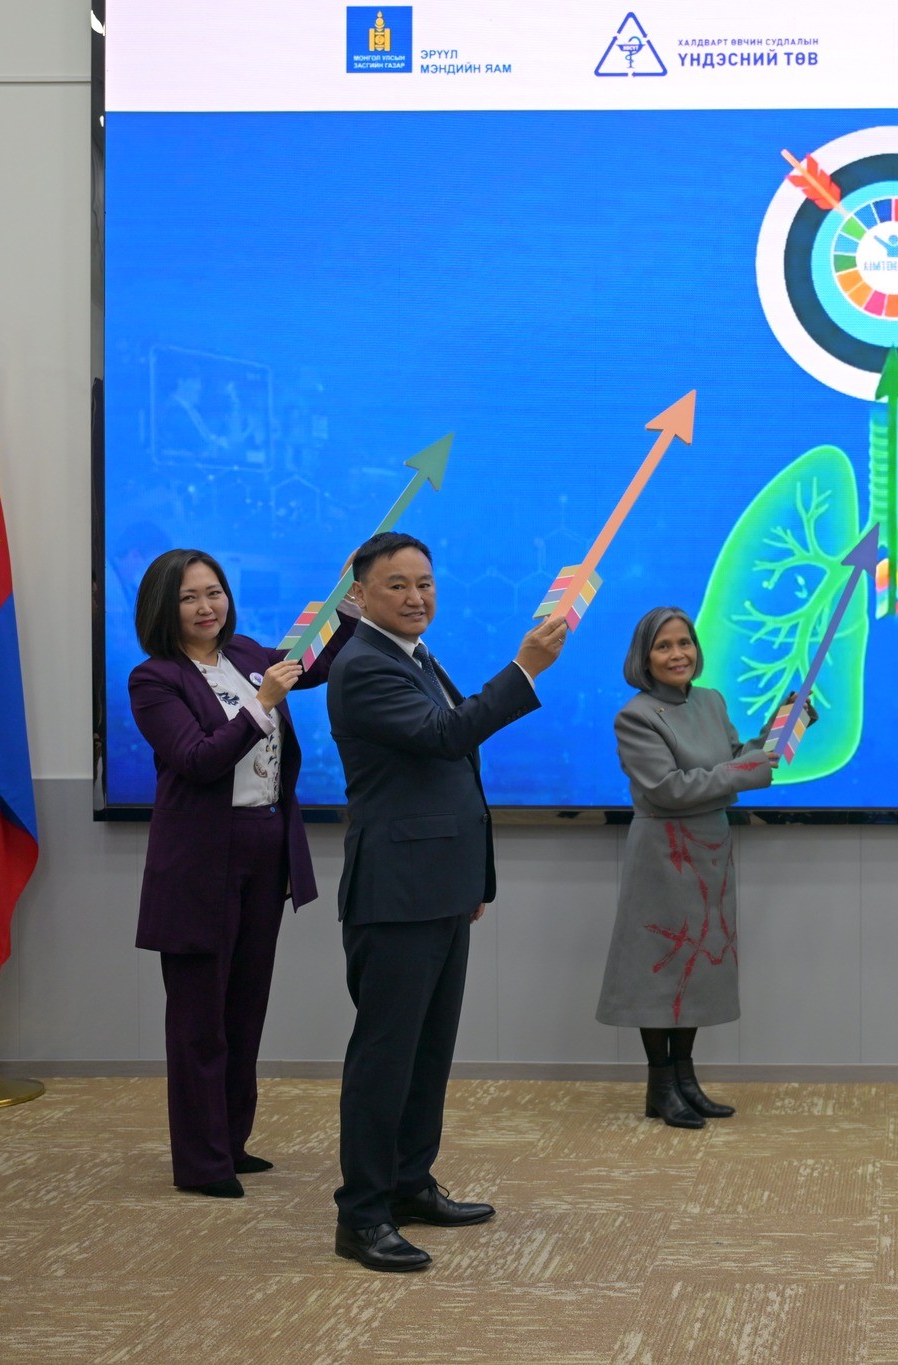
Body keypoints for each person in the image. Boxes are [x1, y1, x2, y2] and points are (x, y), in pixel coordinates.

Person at [327, 531, 568, 1272]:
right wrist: (524, 670)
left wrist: (468, 879)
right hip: (396, 891)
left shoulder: (415, 655)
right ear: (359, 595)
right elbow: (445, 735)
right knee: (386, 1056)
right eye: (397, 584)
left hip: (438, 885)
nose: (416, 596)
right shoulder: (363, 664)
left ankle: (408, 1183)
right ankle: (362, 1215)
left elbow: (451, 768)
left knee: (428, 1050)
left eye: (425, 582)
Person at [127, 548, 357, 1198]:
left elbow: (313, 661)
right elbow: (197, 759)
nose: (208, 606)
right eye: (190, 597)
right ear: (164, 608)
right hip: (199, 861)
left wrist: (348, 599)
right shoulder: (154, 679)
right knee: (198, 1020)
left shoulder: (249, 653)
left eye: (215, 592)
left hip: (265, 849)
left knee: (244, 1007)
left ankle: (230, 1141)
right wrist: (260, 705)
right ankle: (201, 1162)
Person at [594, 607, 804, 1126]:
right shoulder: (636, 716)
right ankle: (660, 1086)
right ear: (644, 657)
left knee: (697, 966)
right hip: (662, 854)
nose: (677, 654)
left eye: (684, 642)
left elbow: (735, 759)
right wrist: (745, 769)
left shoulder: (711, 701)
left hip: (710, 850)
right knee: (660, 968)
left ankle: (685, 1080)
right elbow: (668, 790)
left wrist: (781, 727)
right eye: (663, 646)